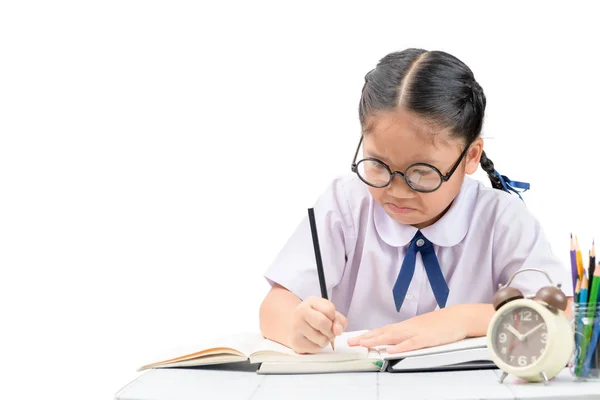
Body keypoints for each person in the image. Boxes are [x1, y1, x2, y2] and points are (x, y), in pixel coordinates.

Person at [258, 48, 573, 355]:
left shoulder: (501, 219)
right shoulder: (344, 206)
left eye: (422, 173)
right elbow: (275, 307)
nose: (397, 190)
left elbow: (561, 311)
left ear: (471, 156)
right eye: (378, 165)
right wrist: (296, 327)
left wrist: (462, 319)